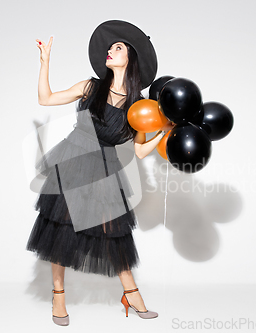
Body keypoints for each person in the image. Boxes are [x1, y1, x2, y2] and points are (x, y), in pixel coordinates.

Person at [27, 20, 174, 326]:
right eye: (110, 47)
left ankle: (131, 294)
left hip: (106, 169)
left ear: (130, 58)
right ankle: (58, 296)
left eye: (117, 47)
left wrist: (165, 132)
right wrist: (45, 62)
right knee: (61, 230)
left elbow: (139, 150)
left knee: (114, 234)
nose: (110, 50)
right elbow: (46, 99)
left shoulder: (139, 105)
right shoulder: (91, 86)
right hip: (74, 160)